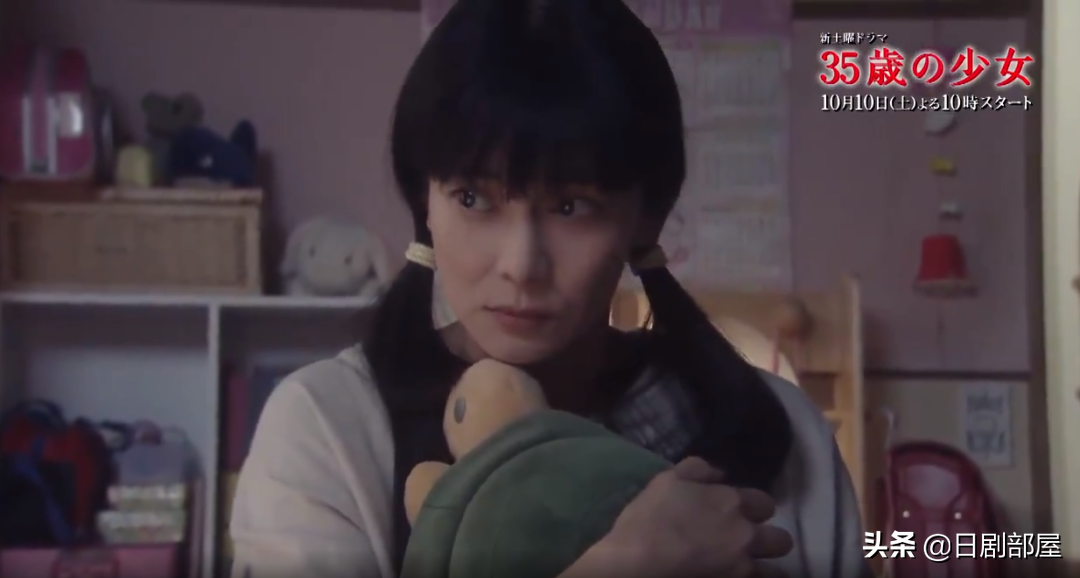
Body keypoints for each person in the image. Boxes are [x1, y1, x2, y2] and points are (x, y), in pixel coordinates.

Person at [229, 1, 872, 577]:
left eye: (571, 206)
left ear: (646, 215)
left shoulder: (781, 429)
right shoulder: (329, 428)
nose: (521, 264)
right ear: (425, 201)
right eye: (473, 198)